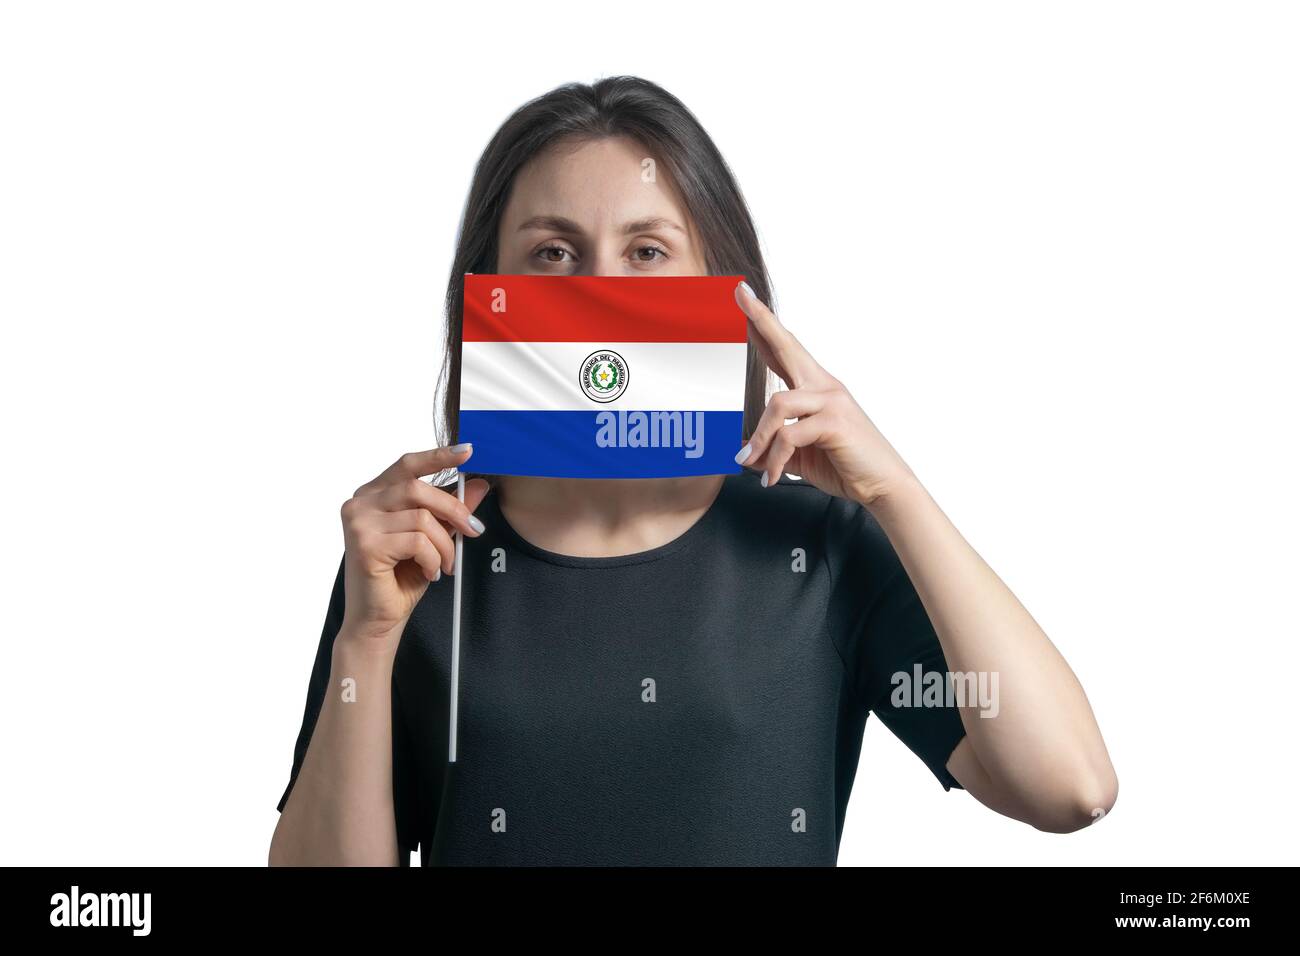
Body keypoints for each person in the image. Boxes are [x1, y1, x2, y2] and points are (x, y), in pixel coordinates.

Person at [268, 76, 1117, 866]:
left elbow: (1070, 788)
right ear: (487, 290)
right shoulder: (419, 555)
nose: (600, 291)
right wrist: (366, 643)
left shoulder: (817, 545)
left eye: (646, 251)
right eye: (554, 253)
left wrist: (894, 492)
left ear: (722, 282)